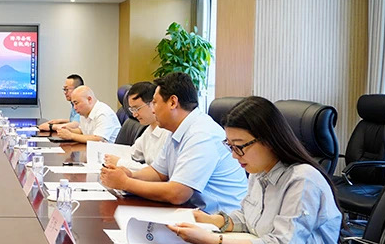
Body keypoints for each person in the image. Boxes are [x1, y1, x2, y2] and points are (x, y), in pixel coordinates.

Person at [167, 96, 348, 244]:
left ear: (269, 140)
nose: (234, 155)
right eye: (230, 146)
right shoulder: (258, 171)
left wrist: (212, 240)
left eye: (239, 146)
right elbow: (248, 218)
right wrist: (211, 220)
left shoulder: (303, 180)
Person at [100, 72, 247, 213]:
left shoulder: (201, 134)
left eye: (155, 103)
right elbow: (158, 173)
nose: (152, 111)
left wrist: (126, 183)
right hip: (193, 212)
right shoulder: (176, 130)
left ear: (173, 102)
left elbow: (178, 193)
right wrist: (131, 175)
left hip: (220, 220)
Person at [125, 81, 170, 164]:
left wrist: (120, 162)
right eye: (132, 110)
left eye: (137, 108)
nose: (134, 114)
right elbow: (132, 153)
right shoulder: (149, 130)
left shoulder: (167, 133)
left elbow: (156, 170)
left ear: (153, 103)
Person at [56, 86, 121, 143]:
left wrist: (71, 135)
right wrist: (70, 131)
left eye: (76, 103)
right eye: (73, 104)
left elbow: (98, 139)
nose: (75, 107)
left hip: (109, 151)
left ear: (89, 99)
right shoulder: (84, 113)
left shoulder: (103, 113)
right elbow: (82, 131)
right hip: (94, 150)